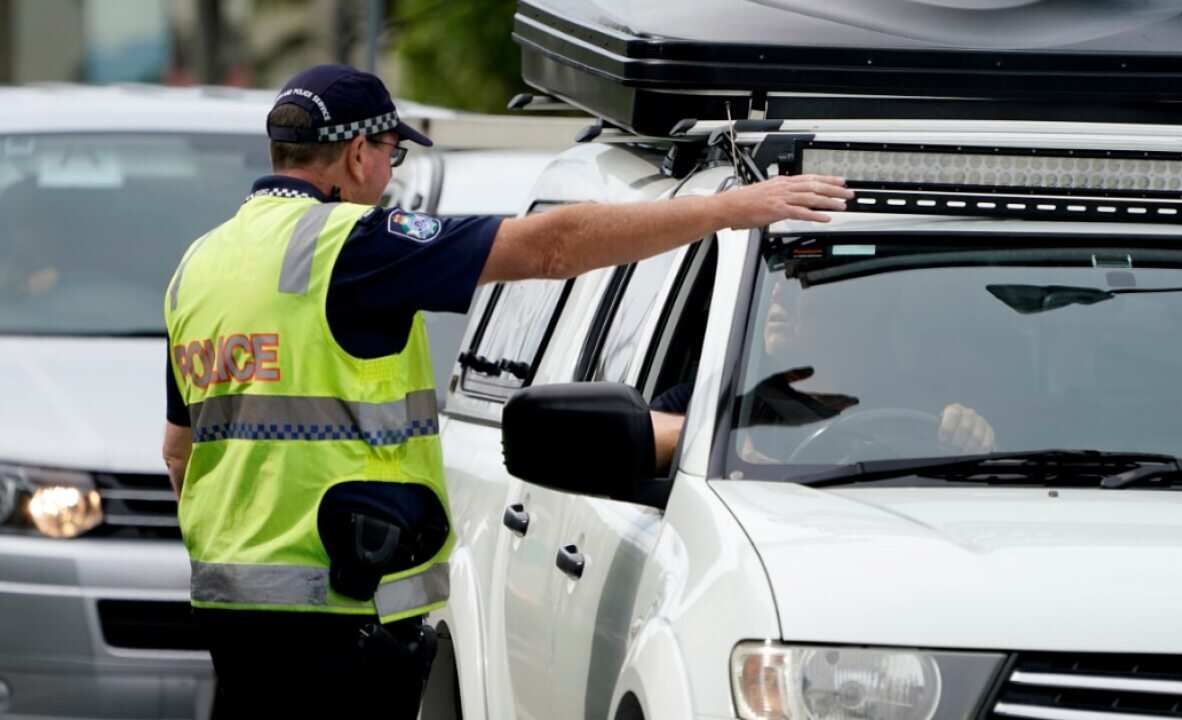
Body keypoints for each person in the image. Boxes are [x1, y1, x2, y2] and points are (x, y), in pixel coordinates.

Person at [160, 64, 852, 718]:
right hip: (342, 610)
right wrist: (727, 209)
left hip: (232, 613)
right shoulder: (351, 246)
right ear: (359, 155)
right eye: (392, 156)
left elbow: (179, 453)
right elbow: (550, 249)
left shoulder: (201, 264)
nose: (387, 176)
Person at [650, 274, 997, 472]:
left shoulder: (919, 414)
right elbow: (637, 438)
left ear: (861, 317)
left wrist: (973, 439)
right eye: (774, 287)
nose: (778, 298)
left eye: (800, 283)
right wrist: (709, 444)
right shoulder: (708, 404)